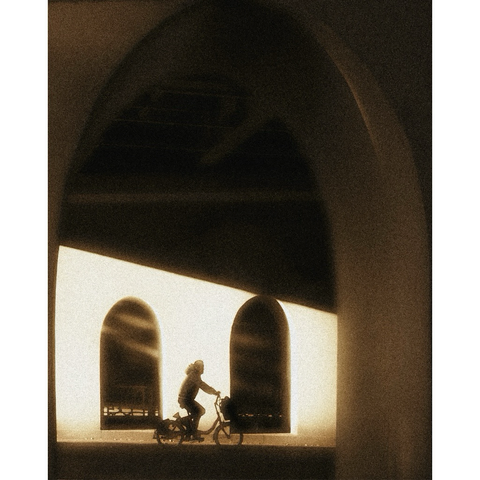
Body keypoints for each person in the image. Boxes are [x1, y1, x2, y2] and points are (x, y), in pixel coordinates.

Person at [178, 360, 219, 441]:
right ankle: (191, 431)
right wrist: (214, 392)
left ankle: (191, 430)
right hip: (185, 399)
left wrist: (213, 392)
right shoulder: (194, 375)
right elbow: (202, 385)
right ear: (197, 367)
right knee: (200, 411)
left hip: (187, 399)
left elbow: (202, 385)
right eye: (202, 367)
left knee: (199, 411)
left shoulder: (194, 375)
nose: (203, 369)